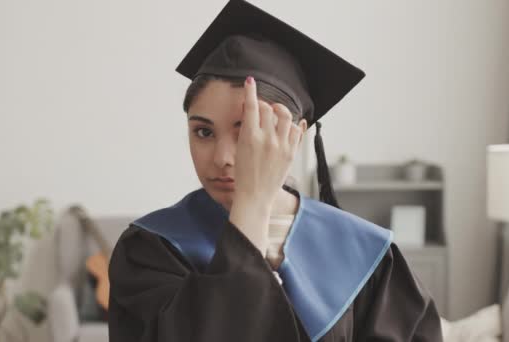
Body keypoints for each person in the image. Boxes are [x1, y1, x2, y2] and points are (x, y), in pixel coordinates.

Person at [107, 0, 443, 341]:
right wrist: (251, 205)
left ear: (295, 135)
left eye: (245, 131)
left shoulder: (364, 252)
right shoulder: (150, 249)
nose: (222, 157)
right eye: (203, 132)